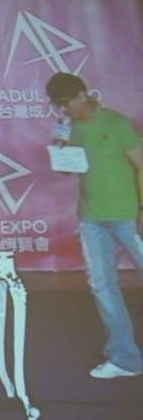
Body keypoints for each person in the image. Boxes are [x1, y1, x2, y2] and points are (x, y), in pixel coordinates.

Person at [45, 72, 143, 379]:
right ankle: (125, 359)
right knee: (102, 285)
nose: (64, 109)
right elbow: (67, 170)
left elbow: (141, 165)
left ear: (82, 95)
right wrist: (60, 149)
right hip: (92, 218)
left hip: (129, 216)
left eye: (66, 103)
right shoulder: (71, 128)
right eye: (59, 105)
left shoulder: (116, 124)